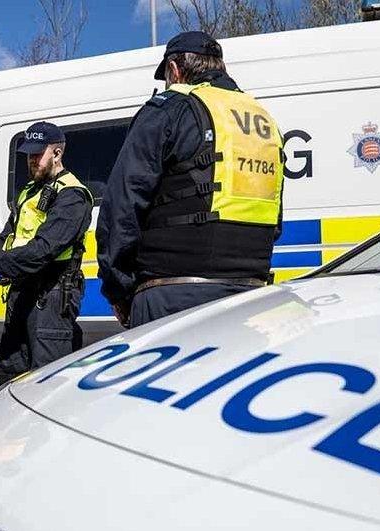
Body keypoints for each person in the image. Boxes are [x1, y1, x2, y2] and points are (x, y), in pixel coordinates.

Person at [96, 31, 284, 328]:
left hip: (172, 296)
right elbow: (273, 218)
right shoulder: (262, 119)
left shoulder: (169, 109)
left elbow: (122, 206)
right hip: (251, 296)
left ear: (174, 70)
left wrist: (117, 289)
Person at [0, 122, 93, 385]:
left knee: (46, 383)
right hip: (22, 293)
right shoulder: (28, 192)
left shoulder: (73, 195)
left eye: (37, 154)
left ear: (57, 154)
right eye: (28, 155)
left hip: (51, 296)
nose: (31, 161)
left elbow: (43, 250)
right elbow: (6, 236)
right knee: (9, 377)